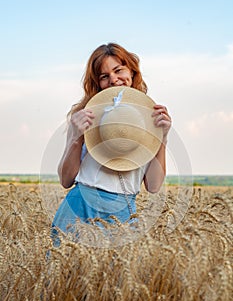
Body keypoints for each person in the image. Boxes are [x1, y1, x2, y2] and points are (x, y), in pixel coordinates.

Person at [51, 42, 172, 238]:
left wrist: (163, 138)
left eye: (118, 70)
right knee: (65, 269)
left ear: (132, 72)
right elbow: (66, 180)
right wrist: (75, 136)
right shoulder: (85, 116)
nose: (114, 80)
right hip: (79, 206)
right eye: (104, 76)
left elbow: (154, 186)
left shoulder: (150, 119)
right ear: (97, 82)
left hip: (123, 213)